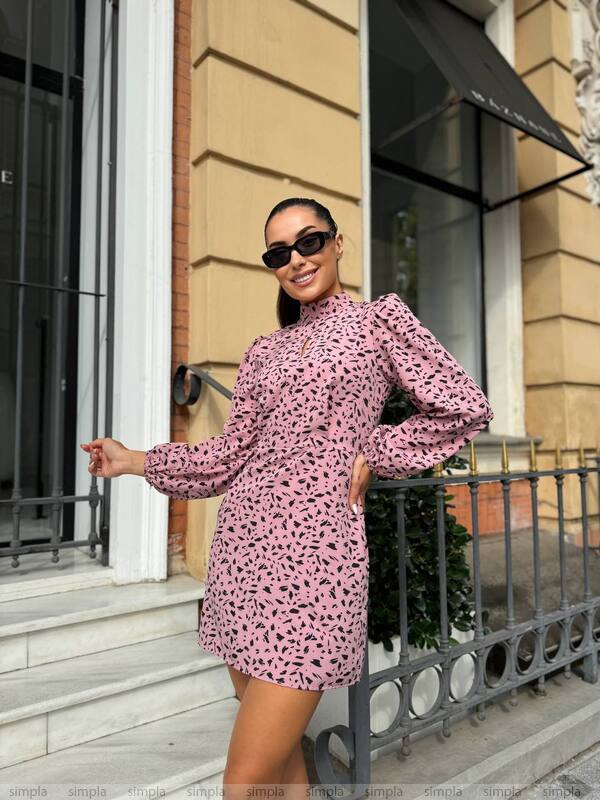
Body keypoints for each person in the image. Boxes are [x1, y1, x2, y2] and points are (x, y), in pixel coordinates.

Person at [80, 197, 494, 797]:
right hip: (241, 560)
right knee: (276, 771)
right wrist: (133, 460)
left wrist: (376, 449)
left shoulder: (379, 322)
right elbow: (225, 459)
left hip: (317, 568)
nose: (297, 260)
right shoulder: (263, 351)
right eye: (279, 253)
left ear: (338, 242)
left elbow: (463, 405)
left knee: (241, 781)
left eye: (310, 241)